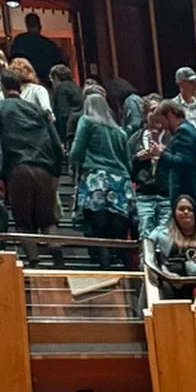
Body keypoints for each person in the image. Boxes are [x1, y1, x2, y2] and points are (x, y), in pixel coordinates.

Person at [0, 71, 64, 255]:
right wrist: (57, 172)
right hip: (44, 168)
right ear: (20, 88)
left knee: (23, 222)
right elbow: (56, 143)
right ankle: (57, 256)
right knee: (48, 221)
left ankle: (34, 263)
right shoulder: (37, 110)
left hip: (18, 169)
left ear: (3, 88)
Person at [70, 91, 135, 265]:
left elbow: (76, 151)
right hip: (121, 182)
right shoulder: (120, 132)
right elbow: (128, 162)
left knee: (100, 234)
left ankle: (106, 271)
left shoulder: (87, 122)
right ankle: (129, 273)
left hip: (97, 181)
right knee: (121, 235)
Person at [155, 99, 196, 218]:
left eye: (162, 121)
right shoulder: (192, 130)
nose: (162, 126)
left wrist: (162, 153)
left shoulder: (183, 132)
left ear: (170, 115)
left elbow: (184, 163)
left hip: (191, 197)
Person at [153, 194, 196, 293]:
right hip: (173, 286)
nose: (186, 212)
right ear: (174, 213)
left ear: (195, 213)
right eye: (181, 209)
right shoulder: (159, 234)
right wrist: (164, 273)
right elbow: (147, 260)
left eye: (190, 209)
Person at [131, 97, 172, 240]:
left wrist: (164, 154)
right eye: (152, 110)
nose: (156, 114)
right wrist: (137, 158)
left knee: (165, 236)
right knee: (145, 233)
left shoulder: (172, 137)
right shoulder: (135, 138)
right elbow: (127, 167)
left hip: (166, 193)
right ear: (145, 114)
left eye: (159, 111)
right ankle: (147, 261)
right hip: (144, 194)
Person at [9, 12, 61, 86]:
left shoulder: (20, 41)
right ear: (40, 25)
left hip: (26, 82)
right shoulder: (50, 44)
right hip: (44, 81)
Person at [49, 65, 83, 145]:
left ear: (56, 77)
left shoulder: (61, 88)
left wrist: (62, 139)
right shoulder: (77, 87)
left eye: (51, 79)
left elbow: (62, 113)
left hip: (68, 130)